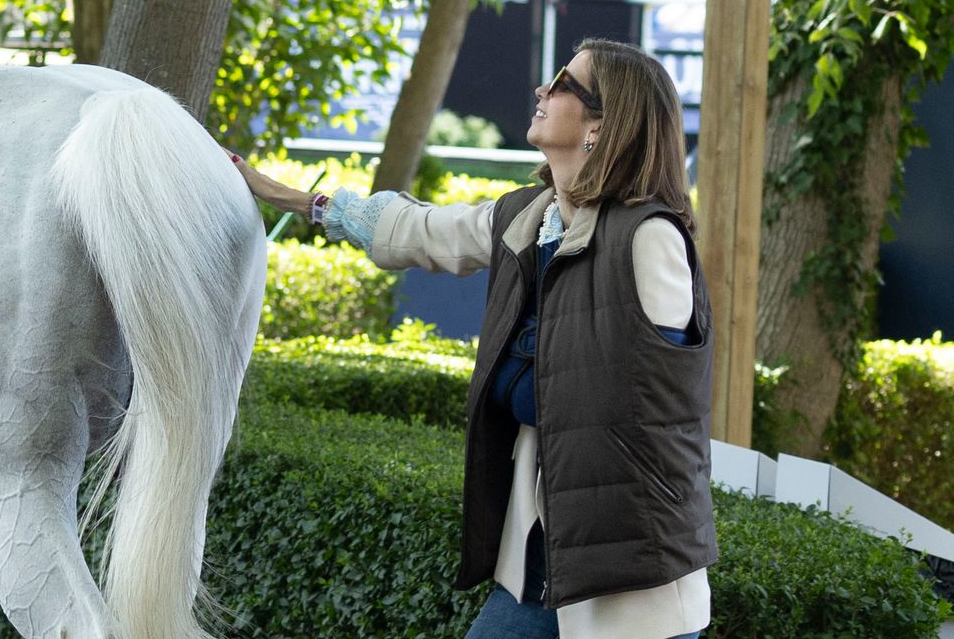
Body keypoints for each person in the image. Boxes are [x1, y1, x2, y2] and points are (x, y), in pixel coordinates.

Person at [237, 40, 713, 639]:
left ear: (599, 124)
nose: (541, 90)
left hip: (627, 584)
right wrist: (285, 194)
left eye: (563, 82)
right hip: (539, 568)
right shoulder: (528, 218)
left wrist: (527, 363)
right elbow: (416, 228)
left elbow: (650, 405)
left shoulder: (650, 238)